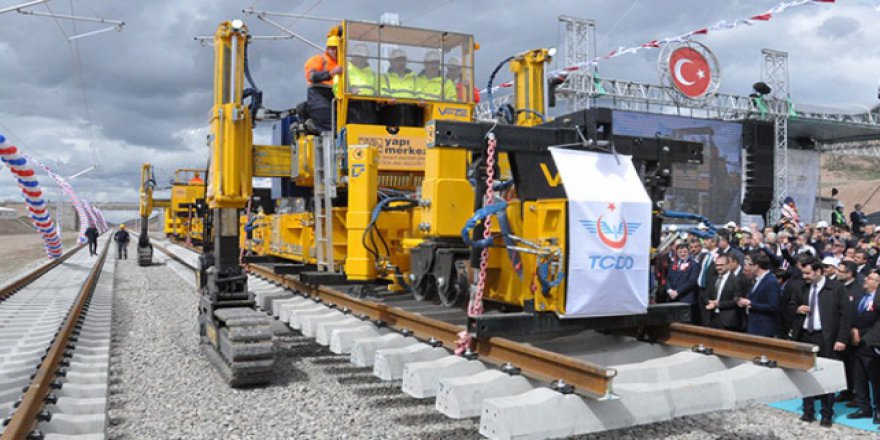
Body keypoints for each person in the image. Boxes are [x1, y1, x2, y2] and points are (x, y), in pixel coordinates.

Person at [789, 258, 852, 427]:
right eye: (803, 273)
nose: (805, 276)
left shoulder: (836, 288)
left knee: (826, 376)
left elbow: (846, 315)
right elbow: (788, 306)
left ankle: (826, 414)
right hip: (804, 335)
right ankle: (807, 411)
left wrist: (841, 339)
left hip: (827, 338)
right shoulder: (801, 287)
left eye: (808, 273)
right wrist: (797, 309)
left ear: (819, 271)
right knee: (805, 374)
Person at [847, 272, 880, 421]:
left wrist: (863, 334)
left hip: (871, 343)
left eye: (871, 278)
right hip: (856, 343)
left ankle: (878, 410)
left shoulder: (877, 300)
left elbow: (875, 323)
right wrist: (854, 329)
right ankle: (863, 407)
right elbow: (852, 315)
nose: (866, 279)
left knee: (875, 379)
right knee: (859, 377)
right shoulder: (860, 296)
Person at [303, 34, 342, 132]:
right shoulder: (319, 59)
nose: (335, 51)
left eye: (337, 48)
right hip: (319, 98)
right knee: (331, 126)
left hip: (337, 99)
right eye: (332, 48)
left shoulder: (343, 64)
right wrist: (331, 73)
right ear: (327, 49)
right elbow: (312, 76)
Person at [738, 251, 781, 337]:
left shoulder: (770, 281)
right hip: (753, 325)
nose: (747, 267)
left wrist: (750, 303)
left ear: (757, 266)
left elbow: (773, 306)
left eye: (750, 265)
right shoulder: (757, 280)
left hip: (764, 328)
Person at [704, 255, 744, 331]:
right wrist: (709, 302)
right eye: (717, 265)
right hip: (712, 317)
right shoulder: (713, 279)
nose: (718, 267)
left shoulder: (735, 280)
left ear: (728, 265)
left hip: (727, 320)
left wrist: (719, 304)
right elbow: (706, 295)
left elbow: (736, 300)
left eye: (721, 265)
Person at [665, 243, 700, 323]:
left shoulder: (694, 264)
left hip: (686, 299)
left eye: (685, 252)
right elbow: (668, 278)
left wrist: (677, 292)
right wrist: (669, 290)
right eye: (680, 252)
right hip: (673, 298)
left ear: (688, 252)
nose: (682, 254)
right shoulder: (674, 263)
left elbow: (692, 281)